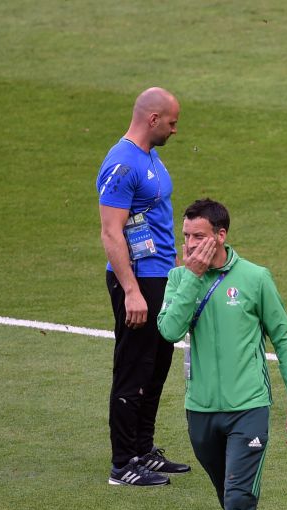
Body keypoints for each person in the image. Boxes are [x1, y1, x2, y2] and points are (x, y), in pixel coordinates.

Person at [157, 198, 287, 510]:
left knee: (239, 501)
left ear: (222, 236)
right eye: (186, 237)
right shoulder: (179, 278)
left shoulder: (255, 278)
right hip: (200, 414)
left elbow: (283, 338)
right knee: (233, 503)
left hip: (249, 411)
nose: (191, 245)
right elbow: (168, 331)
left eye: (199, 238)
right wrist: (192, 276)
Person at [98, 87, 190, 486]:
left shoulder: (149, 158)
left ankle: (142, 450)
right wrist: (131, 290)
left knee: (156, 366)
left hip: (161, 277)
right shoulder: (121, 164)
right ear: (153, 119)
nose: (175, 131)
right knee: (134, 368)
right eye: (172, 123)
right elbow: (111, 232)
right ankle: (123, 464)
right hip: (138, 281)